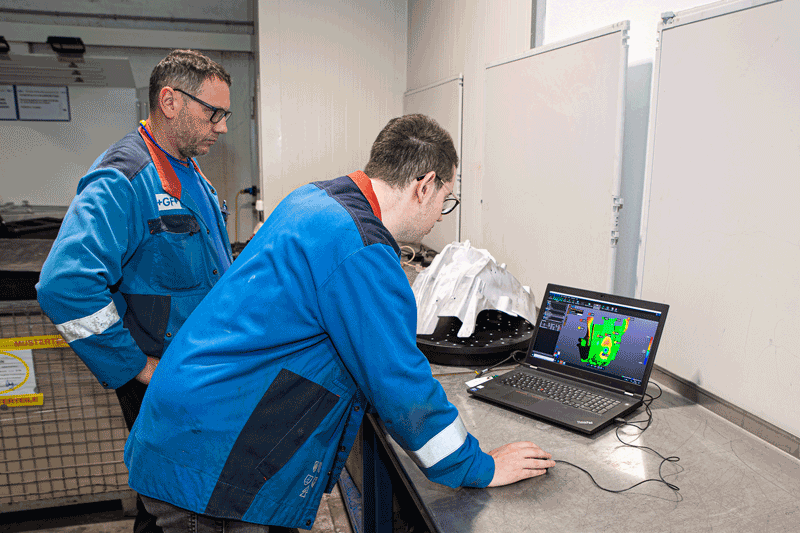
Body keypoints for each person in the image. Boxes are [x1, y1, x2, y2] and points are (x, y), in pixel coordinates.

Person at [123, 114, 556, 532]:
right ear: (424, 186)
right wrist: (479, 467)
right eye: (446, 199)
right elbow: (403, 389)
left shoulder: (314, 199)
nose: (442, 215)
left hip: (188, 427)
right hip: (213, 460)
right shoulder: (361, 249)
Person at [36, 49, 235, 533]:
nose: (222, 127)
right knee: (177, 509)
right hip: (162, 378)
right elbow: (66, 284)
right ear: (170, 101)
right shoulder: (124, 177)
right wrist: (136, 367)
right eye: (215, 113)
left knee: (180, 503)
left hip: (197, 372)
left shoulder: (189, 171)